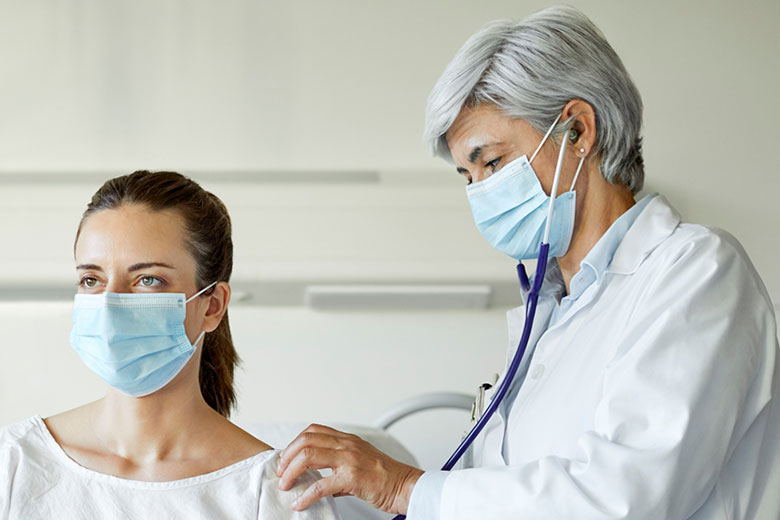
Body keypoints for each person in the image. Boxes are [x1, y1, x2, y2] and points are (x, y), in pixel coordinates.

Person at [276, 5, 780, 519]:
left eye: (491, 161)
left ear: (579, 132)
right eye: (467, 176)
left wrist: (402, 486)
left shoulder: (697, 272)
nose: (481, 192)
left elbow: (622, 499)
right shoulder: (550, 314)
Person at [0, 171, 338, 519]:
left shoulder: (277, 492)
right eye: (91, 279)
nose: (110, 304)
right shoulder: (13, 462)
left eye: (148, 280)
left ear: (212, 305)